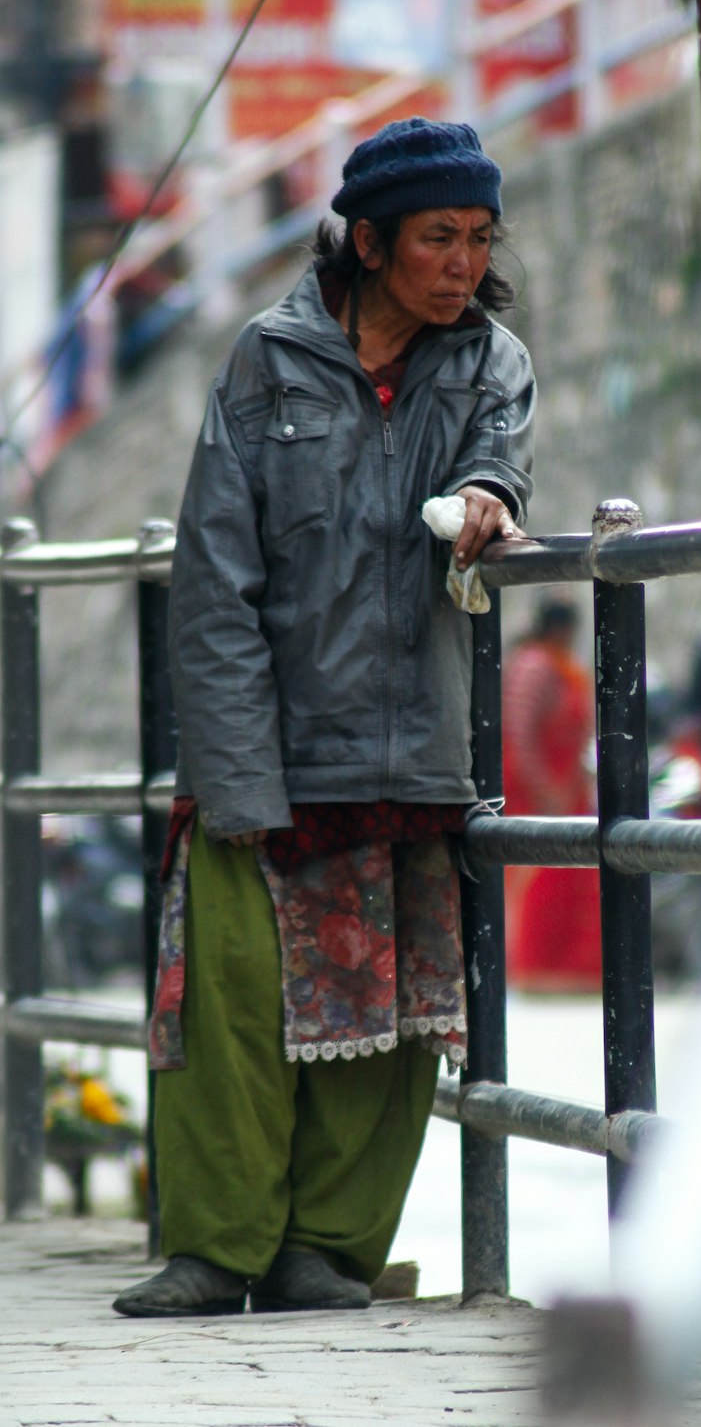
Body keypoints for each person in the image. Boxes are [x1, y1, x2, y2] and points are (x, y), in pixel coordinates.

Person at [113, 117, 535, 1317]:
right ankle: (216, 1248)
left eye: (477, 238)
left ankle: (326, 1253)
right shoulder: (267, 361)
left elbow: (503, 459)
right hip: (271, 748)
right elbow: (215, 580)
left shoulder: (489, 359)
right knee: (234, 999)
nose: (462, 262)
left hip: (411, 747)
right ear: (369, 240)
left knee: (392, 1015)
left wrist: (493, 500)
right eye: (437, 238)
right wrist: (238, 777)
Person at [502, 599, 602, 990]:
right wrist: (545, 788)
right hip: (538, 792)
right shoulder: (534, 666)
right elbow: (518, 733)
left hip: (566, 789)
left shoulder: (563, 668)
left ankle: (566, 971)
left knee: (571, 880)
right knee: (537, 877)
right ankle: (536, 968)